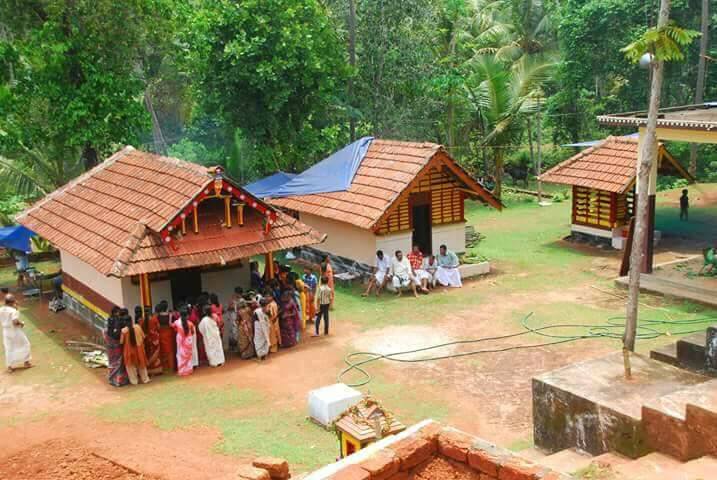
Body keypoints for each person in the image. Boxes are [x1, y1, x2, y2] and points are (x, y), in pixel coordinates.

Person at [1, 294, 32, 373]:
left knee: (8, 348)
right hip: (14, 330)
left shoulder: (1, 309)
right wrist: (21, 324)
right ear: (12, 302)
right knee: (25, 344)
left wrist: (16, 308)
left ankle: (9, 367)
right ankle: (26, 362)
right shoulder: (13, 311)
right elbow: (15, 322)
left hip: (6, 331)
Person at [120, 311, 150, 385]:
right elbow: (143, 336)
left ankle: (134, 381)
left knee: (130, 367)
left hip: (129, 350)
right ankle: (145, 379)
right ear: (131, 320)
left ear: (124, 322)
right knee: (141, 365)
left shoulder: (123, 330)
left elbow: (121, 342)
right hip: (139, 348)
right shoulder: (137, 327)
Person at [105, 306, 128, 386]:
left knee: (112, 361)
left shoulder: (109, 319)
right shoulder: (117, 320)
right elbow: (117, 334)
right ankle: (119, 381)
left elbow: (108, 332)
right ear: (116, 312)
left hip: (110, 344)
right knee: (119, 362)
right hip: (116, 344)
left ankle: (112, 379)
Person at [171, 306, 196, 376]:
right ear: (187, 315)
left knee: (180, 355)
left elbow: (171, 326)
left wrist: (170, 317)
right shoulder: (190, 323)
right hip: (188, 341)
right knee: (189, 356)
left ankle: (182, 371)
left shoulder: (177, 323)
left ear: (180, 315)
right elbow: (193, 332)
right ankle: (189, 369)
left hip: (181, 341)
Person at [142, 305, 162, 376]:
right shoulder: (154, 319)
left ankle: (149, 371)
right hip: (155, 339)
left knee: (148, 354)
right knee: (156, 355)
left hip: (147, 340)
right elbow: (158, 328)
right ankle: (157, 371)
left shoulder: (142, 320)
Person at [156, 301, 176, 372]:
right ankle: (171, 367)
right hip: (169, 333)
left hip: (161, 333)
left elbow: (157, 326)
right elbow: (171, 324)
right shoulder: (170, 315)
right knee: (170, 351)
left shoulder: (157, 316)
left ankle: (164, 368)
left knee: (162, 351)